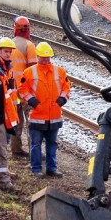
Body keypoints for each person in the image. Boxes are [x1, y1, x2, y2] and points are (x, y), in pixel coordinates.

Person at [18, 41, 71, 179]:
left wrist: (62, 100)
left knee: (52, 143)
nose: (46, 60)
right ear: (37, 56)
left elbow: (67, 87)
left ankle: (51, 169)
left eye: (48, 57)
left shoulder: (59, 71)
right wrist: (32, 101)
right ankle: (36, 169)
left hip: (54, 115)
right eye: (43, 57)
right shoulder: (29, 72)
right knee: (36, 144)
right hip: (37, 115)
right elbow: (22, 89)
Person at [0, 38, 19, 191]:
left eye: (10, 51)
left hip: (0, 119)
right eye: (6, 51)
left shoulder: (8, 70)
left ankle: (5, 182)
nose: (8, 54)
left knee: (1, 151)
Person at [10, 15, 37, 158]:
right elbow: (33, 70)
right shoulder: (29, 46)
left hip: (11, 91)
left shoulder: (8, 45)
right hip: (25, 90)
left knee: (16, 120)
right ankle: (34, 150)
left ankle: (16, 150)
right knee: (31, 121)